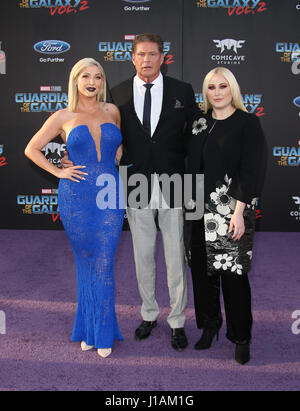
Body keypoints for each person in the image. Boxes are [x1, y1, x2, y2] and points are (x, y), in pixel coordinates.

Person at [63, 33, 200, 351]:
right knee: (142, 256)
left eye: (153, 54)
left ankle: (177, 320)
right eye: (141, 54)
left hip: (174, 183)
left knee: (175, 257)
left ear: (163, 57)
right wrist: (72, 154)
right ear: (133, 57)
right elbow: (106, 135)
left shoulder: (183, 91)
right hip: (135, 182)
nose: (147, 60)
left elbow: (196, 137)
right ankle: (149, 314)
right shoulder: (118, 94)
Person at [25, 58, 124, 358]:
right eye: (86, 76)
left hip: (109, 196)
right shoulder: (62, 116)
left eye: (97, 76)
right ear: (76, 80)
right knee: (86, 263)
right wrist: (58, 171)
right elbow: (31, 148)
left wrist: (114, 160)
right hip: (76, 197)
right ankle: (89, 327)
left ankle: (101, 332)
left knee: (104, 263)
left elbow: (117, 148)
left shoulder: (112, 111)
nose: (92, 81)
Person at [186, 67, 266, 365]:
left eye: (222, 86)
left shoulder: (247, 124)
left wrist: (240, 212)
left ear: (232, 88)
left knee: (234, 278)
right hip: (196, 210)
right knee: (202, 276)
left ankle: (241, 337)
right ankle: (209, 327)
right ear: (205, 93)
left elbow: (251, 169)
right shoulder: (199, 123)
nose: (217, 92)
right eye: (211, 87)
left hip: (230, 211)